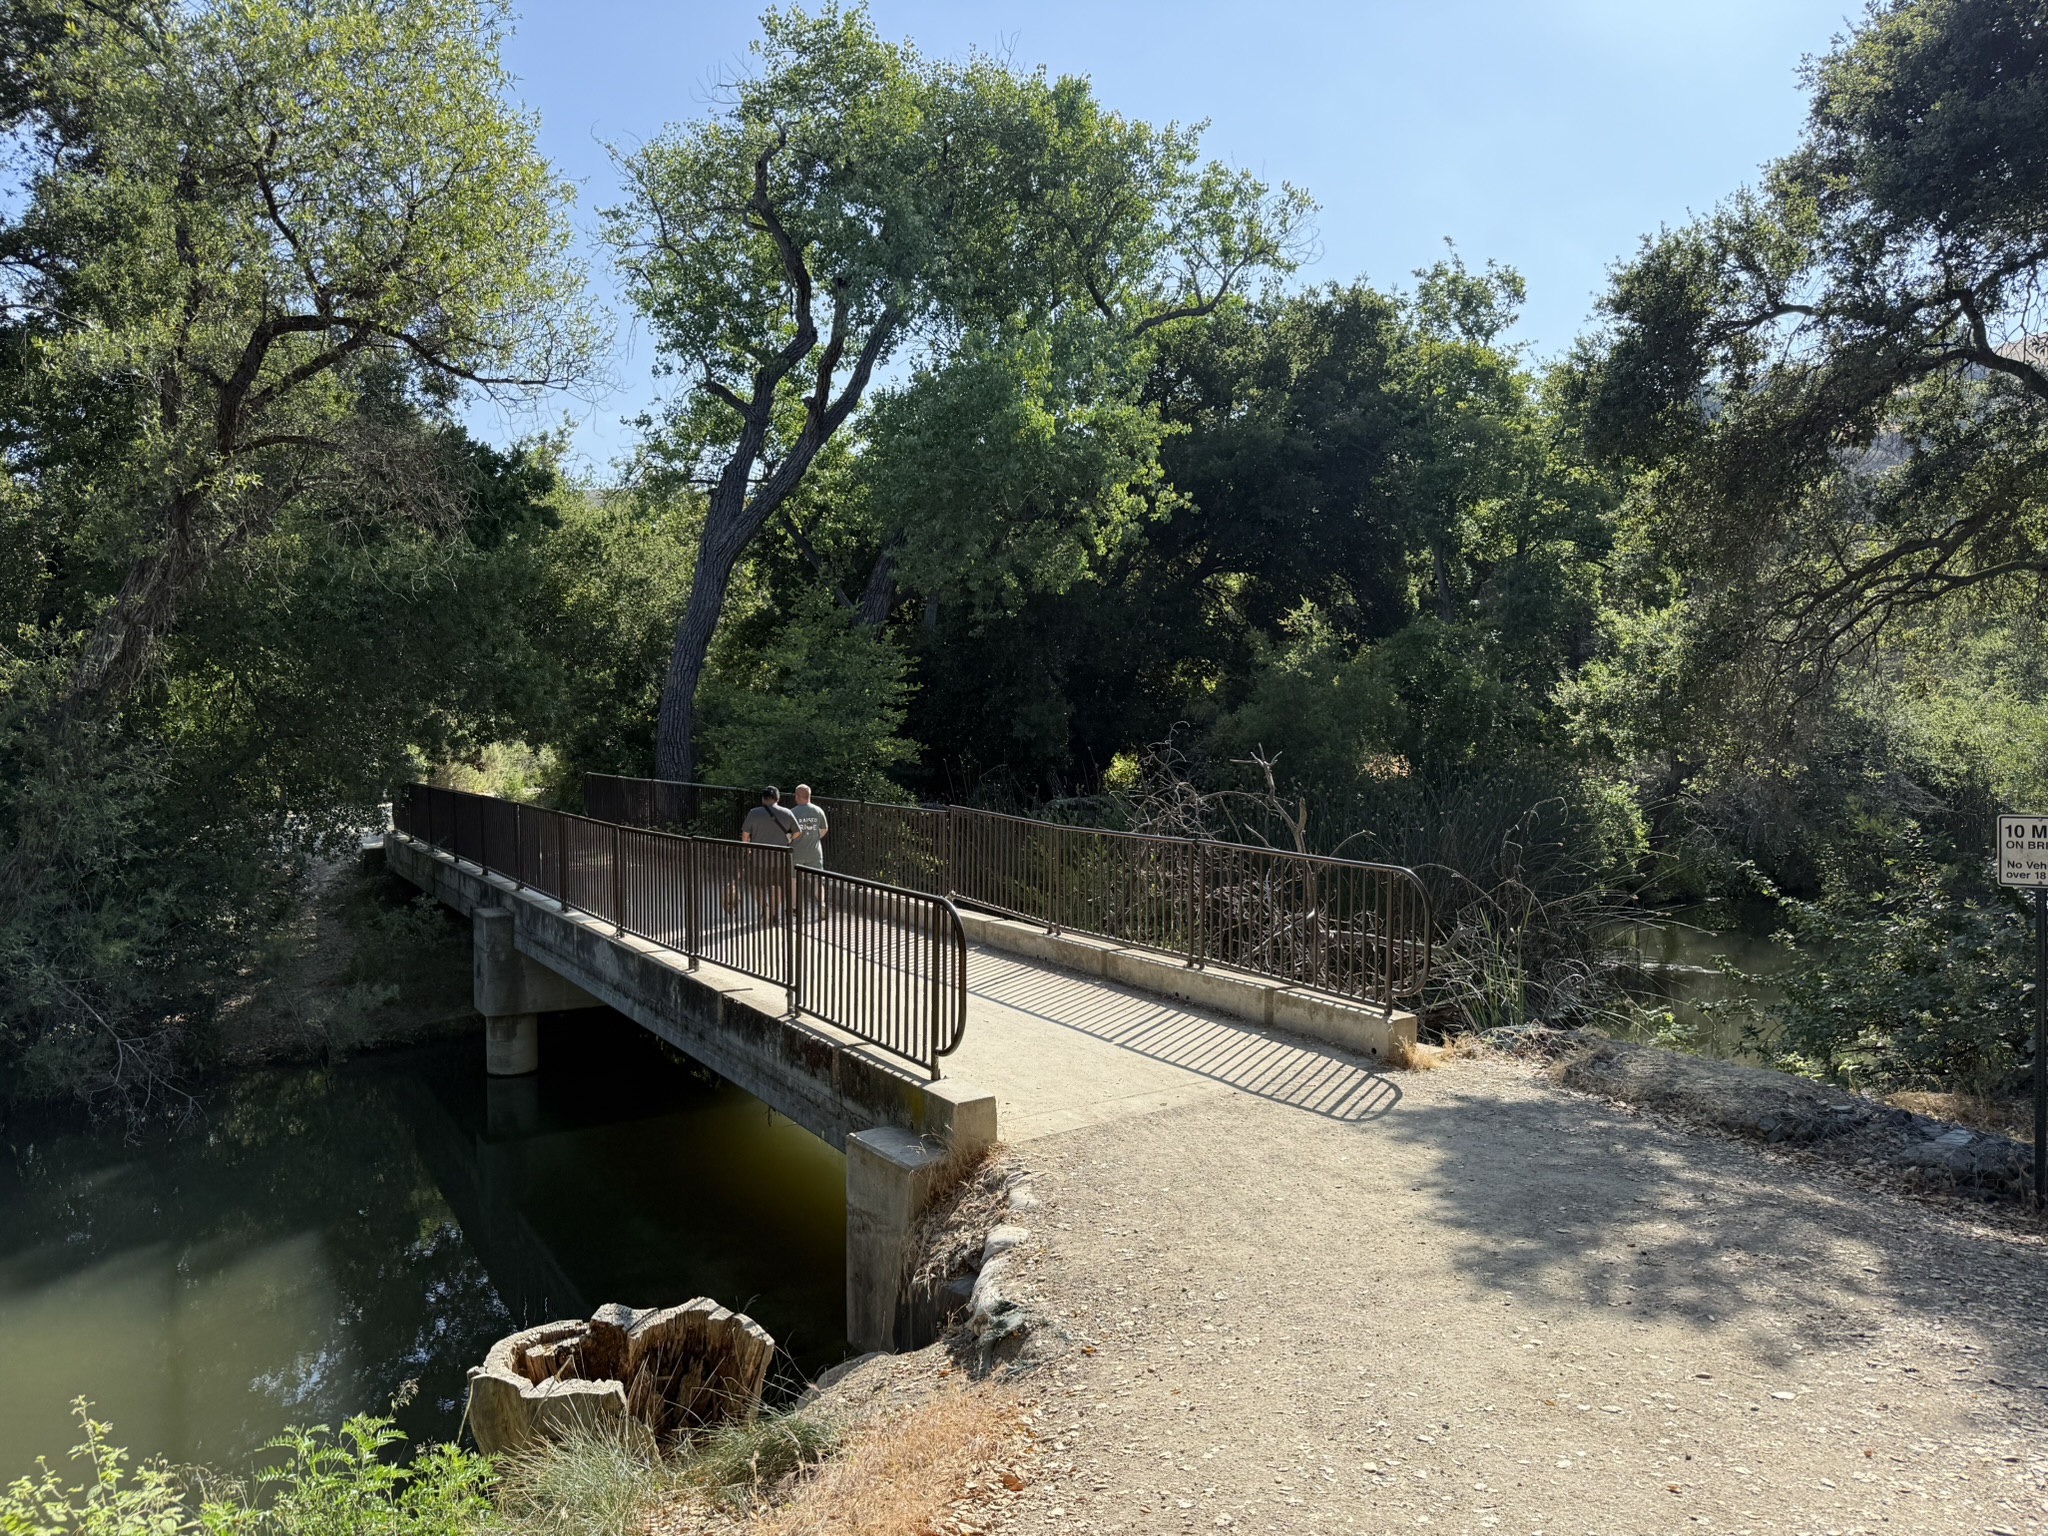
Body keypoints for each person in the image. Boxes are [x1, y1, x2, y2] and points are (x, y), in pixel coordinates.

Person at [738, 786, 800, 920]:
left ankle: (764, 907)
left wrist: (747, 849)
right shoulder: (787, 813)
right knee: (777, 885)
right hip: (779, 857)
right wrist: (788, 840)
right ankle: (773, 913)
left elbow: (745, 835)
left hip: (758, 857)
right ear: (778, 798)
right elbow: (797, 832)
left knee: (755, 885)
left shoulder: (754, 813)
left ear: (763, 799)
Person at [788, 783, 830, 918]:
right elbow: (823, 830)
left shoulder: (792, 812)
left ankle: (795, 907)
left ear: (797, 796)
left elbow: (788, 834)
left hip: (796, 851)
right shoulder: (818, 811)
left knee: (794, 879)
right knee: (817, 880)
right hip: (815, 851)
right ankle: (822, 903)